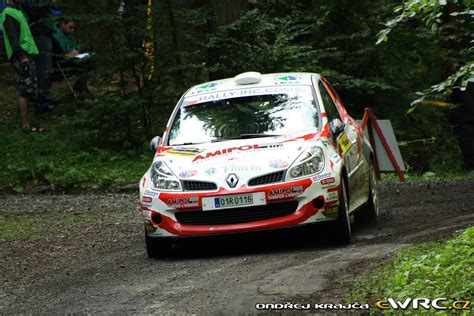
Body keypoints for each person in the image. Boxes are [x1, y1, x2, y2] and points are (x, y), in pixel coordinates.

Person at [0, 0, 42, 132]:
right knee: (24, 88)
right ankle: (25, 124)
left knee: (30, 87)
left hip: (27, 54)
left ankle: (30, 122)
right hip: (22, 56)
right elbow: (12, 36)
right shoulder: (8, 12)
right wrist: (21, 55)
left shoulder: (18, 11)